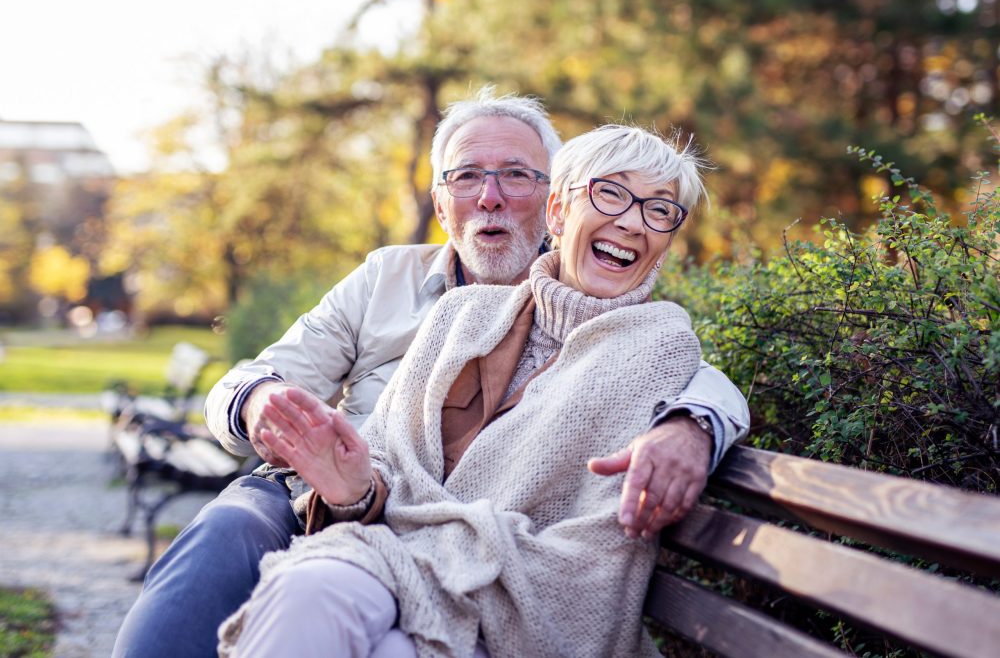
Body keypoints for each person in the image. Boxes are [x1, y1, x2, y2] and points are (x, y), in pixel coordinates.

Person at [113, 89, 749, 657]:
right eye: (468, 176)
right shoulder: (389, 279)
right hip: (322, 494)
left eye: (515, 176)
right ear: (442, 201)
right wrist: (263, 405)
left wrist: (696, 424)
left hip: (447, 546)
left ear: (546, 202)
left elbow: (683, 370)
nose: (490, 195)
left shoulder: (644, 334)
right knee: (237, 531)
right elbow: (265, 380)